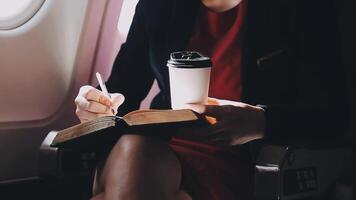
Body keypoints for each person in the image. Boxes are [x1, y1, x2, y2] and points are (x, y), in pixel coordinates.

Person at [74, 0, 349, 199]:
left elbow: (334, 115)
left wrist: (261, 121)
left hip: (241, 158)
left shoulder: (301, 7)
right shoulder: (158, 5)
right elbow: (122, 89)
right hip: (157, 147)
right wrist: (94, 104)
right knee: (137, 151)